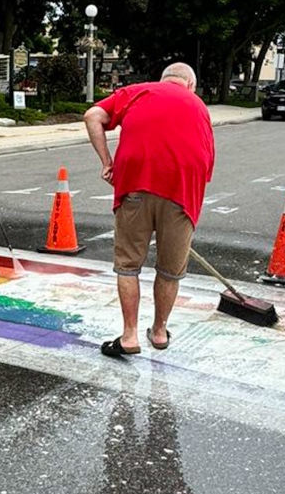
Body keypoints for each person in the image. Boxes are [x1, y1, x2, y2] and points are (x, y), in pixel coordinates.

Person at [83, 62, 215, 357]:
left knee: (128, 266)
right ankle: (159, 331)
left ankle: (129, 335)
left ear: (162, 80)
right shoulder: (198, 106)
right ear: (190, 85)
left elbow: (93, 116)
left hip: (135, 188)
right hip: (181, 193)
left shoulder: (137, 91)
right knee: (169, 270)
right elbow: (206, 164)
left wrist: (107, 162)